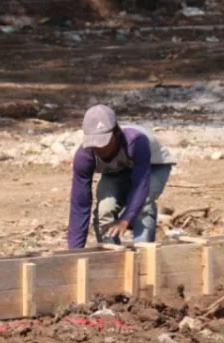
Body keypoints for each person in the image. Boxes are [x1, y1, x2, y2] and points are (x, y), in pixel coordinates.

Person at [67, 104, 175, 249]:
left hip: (154, 165)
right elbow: (80, 205)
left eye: (103, 142)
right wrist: (74, 252)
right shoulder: (84, 156)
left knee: (144, 205)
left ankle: (143, 257)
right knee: (104, 209)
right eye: (94, 143)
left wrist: (126, 220)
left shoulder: (136, 141)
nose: (99, 148)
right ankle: (110, 257)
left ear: (116, 133)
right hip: (117, 170)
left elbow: (140, 185)